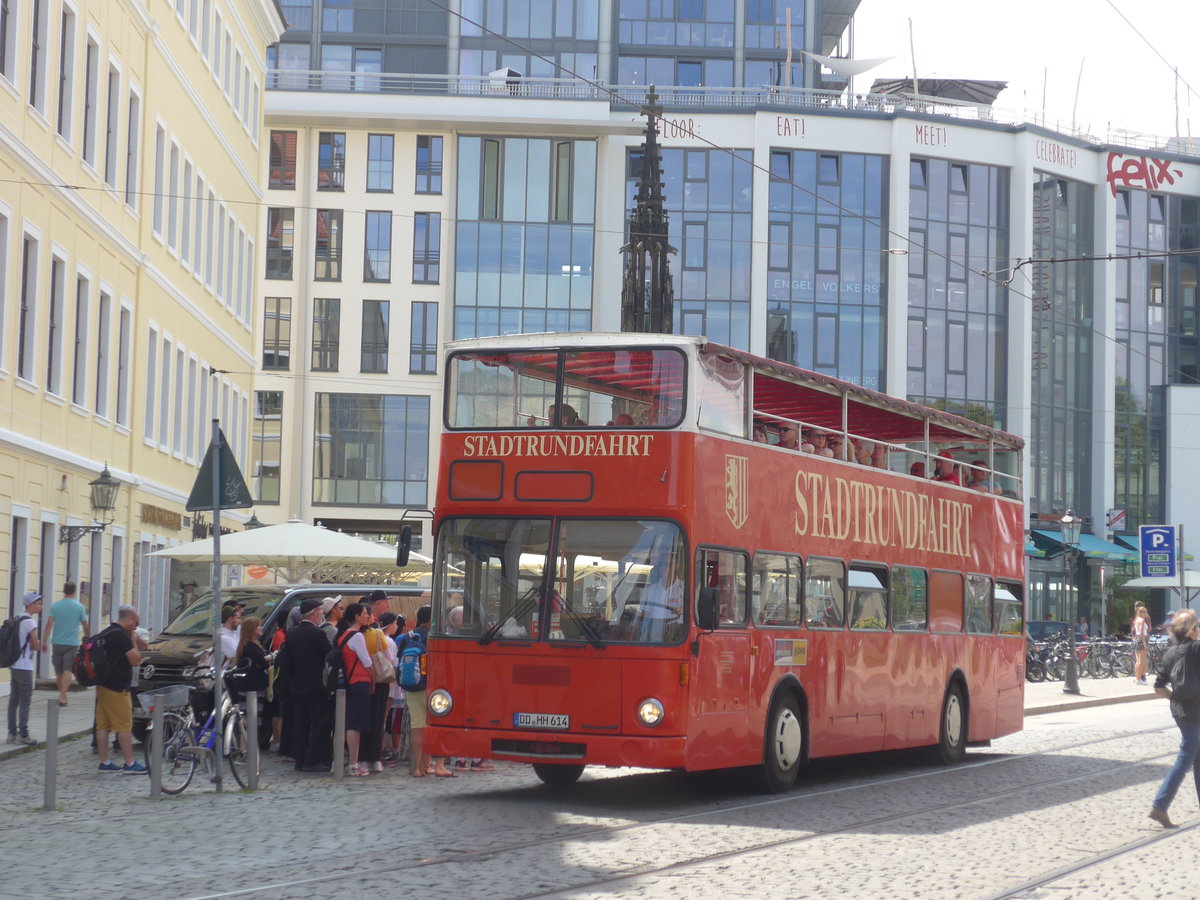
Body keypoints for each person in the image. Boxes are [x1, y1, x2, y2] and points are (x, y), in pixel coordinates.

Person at [1148, 609, 1200, 828]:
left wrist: (1176, 698)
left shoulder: (1169, 654)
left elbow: (1158, 686)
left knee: (1197, 757)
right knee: (1187, 756)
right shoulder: (1198, 648)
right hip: (1196, 710)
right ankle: (1160, 805)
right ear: (1191, 630)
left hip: (1180, 710)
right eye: (1197, 626)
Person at [95, 606, 148, 773]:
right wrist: (133, 639)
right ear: (130, 619)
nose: (136, 627)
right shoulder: (121, 636)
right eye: (136, 623)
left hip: (103, 684)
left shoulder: (107, 631)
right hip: (118, 687)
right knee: (124, 725)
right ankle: (130, 763)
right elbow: (135, 660)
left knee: (102, 725)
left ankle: (104, 762)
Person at [402, 605, 453, 777]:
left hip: (412, 686)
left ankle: (418, 768)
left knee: (417, 726)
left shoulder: (407, 636)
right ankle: (438, 766)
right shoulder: (435, 636)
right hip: (433, 687)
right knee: (438, 725)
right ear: (432, 620)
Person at [286, 598, 334, 773]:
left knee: (300, 723)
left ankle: (299, 759)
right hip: (315, 684)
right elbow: (328, 654)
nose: (321, 614)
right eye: (320, 611)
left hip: (297, 684)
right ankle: (314, 759)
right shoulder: (317, 634)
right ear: (315, 613)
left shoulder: (292, 633)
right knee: (320, 722)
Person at [337, 602, 375, 777]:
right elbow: (367, 662)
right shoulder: (357, 637)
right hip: (359, 682)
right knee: (355, 725)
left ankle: (343, 761)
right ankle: (354, 763)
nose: (367, 616)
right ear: (357, 616)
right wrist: (373, 680)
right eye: (365, 613)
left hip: (350, 682)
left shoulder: (343, 635)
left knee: (348, 723)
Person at [6, 591, 44, 746]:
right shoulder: (30, 622)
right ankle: (24, 734)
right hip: (25, 666)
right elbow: (35, 645)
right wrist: (38, 644)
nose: (40, 606)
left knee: (13, 699)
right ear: (30, 605)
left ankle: (11, 734)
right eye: (38, 603)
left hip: (14, 664)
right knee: (25, 700)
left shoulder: (17, 618)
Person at [361, 610, 396, 773]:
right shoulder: (376, 634)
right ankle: (374, 758)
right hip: (380, 682)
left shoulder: (352, 635)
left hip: (360, 680)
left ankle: (360, 758)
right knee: (377, 720)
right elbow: (390, 659)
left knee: (360, 721)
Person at [44, 581, 88, 707]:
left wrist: (44, 640)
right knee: (67, 669)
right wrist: (87, 638)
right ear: (74, 592)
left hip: (57, 642)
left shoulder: (55, 606)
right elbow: (85, 625)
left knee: (58, 671)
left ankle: (62, 695)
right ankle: (63, 695)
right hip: (72, 643)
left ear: (64, 591)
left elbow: (49, 623)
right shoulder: (79, 607)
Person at [1133, 602, 1151, 684]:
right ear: (1141, 613)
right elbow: (1142, 632)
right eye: (1145, 612)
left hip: (1136, 639)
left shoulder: (1136, 620)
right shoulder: (1142, 620)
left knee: (1138, 660)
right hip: (1141, 639)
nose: (1146, 614)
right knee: (1142, 660)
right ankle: (1139, 679)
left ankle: (1137, 677)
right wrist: (1144, 643)